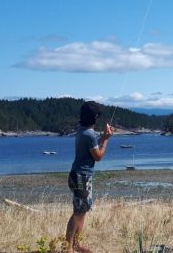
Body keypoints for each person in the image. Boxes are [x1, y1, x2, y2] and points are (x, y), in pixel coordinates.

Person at [65, 101, 113, 253]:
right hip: (81, 176)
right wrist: (106, 140)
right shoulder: (89, 134)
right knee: (78, 212)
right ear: (96, 117)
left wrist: (103, 136)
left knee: (82, 210)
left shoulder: (82, 131)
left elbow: (91, 147)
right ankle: (69, 248)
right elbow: (98, 156)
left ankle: (77, 245)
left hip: (78, 174)